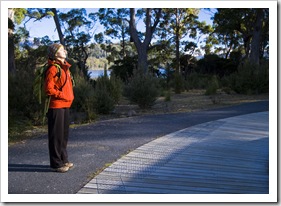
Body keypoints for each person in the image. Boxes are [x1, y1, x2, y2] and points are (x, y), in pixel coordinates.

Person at [45, 43, 74, 173]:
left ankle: (64, 159)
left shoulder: (64, 67)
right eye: (62, 50)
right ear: (56, 53)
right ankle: (56, 164)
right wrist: (61, 95)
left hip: (65, 105)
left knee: (63, 136)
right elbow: (48, 89)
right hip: (56, 106)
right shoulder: (53, 69)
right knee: (56, 136)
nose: (65, 51)